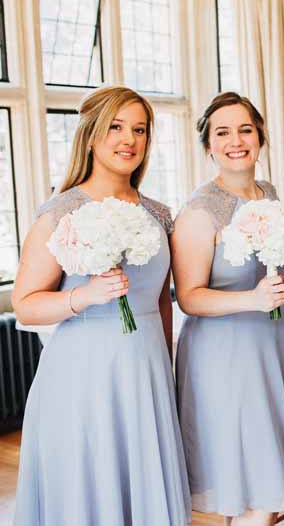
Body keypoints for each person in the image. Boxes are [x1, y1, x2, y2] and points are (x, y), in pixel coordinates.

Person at [12, 85, 190, 525]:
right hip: (82, 377)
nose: (128, 139)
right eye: (116, 127)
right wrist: (85, 295)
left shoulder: (160, 214)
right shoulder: (60, 211)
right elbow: (26, 306)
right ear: (91, 134)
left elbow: (162, 302)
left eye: (139, 129)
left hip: (145, 371)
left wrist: (165, 371)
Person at [173, 92, 284, 526]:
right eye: (222, 132)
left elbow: (283, 273)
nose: (235, 140)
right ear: (208, 147)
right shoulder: (200, 211)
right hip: (226, 354)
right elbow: (189, 297)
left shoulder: (270, 195)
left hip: (271, 345)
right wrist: (251, 300)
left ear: (260, 136)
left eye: (245, 129)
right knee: (251, 482)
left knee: (268, 481)